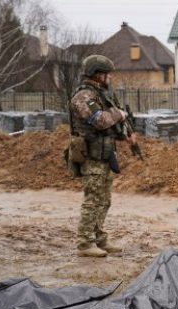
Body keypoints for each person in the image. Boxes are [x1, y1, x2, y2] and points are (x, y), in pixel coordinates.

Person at [70, 55, 138, 257]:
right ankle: (85, 243)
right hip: (91, 156)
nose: (109, 77)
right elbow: (100, 121)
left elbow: (111, 126)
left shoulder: (101, 94)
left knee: (104, 200)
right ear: (96, 74)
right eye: (106, 73)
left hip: (105, 154)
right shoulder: (83, 97)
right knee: (92, 200)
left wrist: (126, 135)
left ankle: (99, 239)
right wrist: (120, 114)